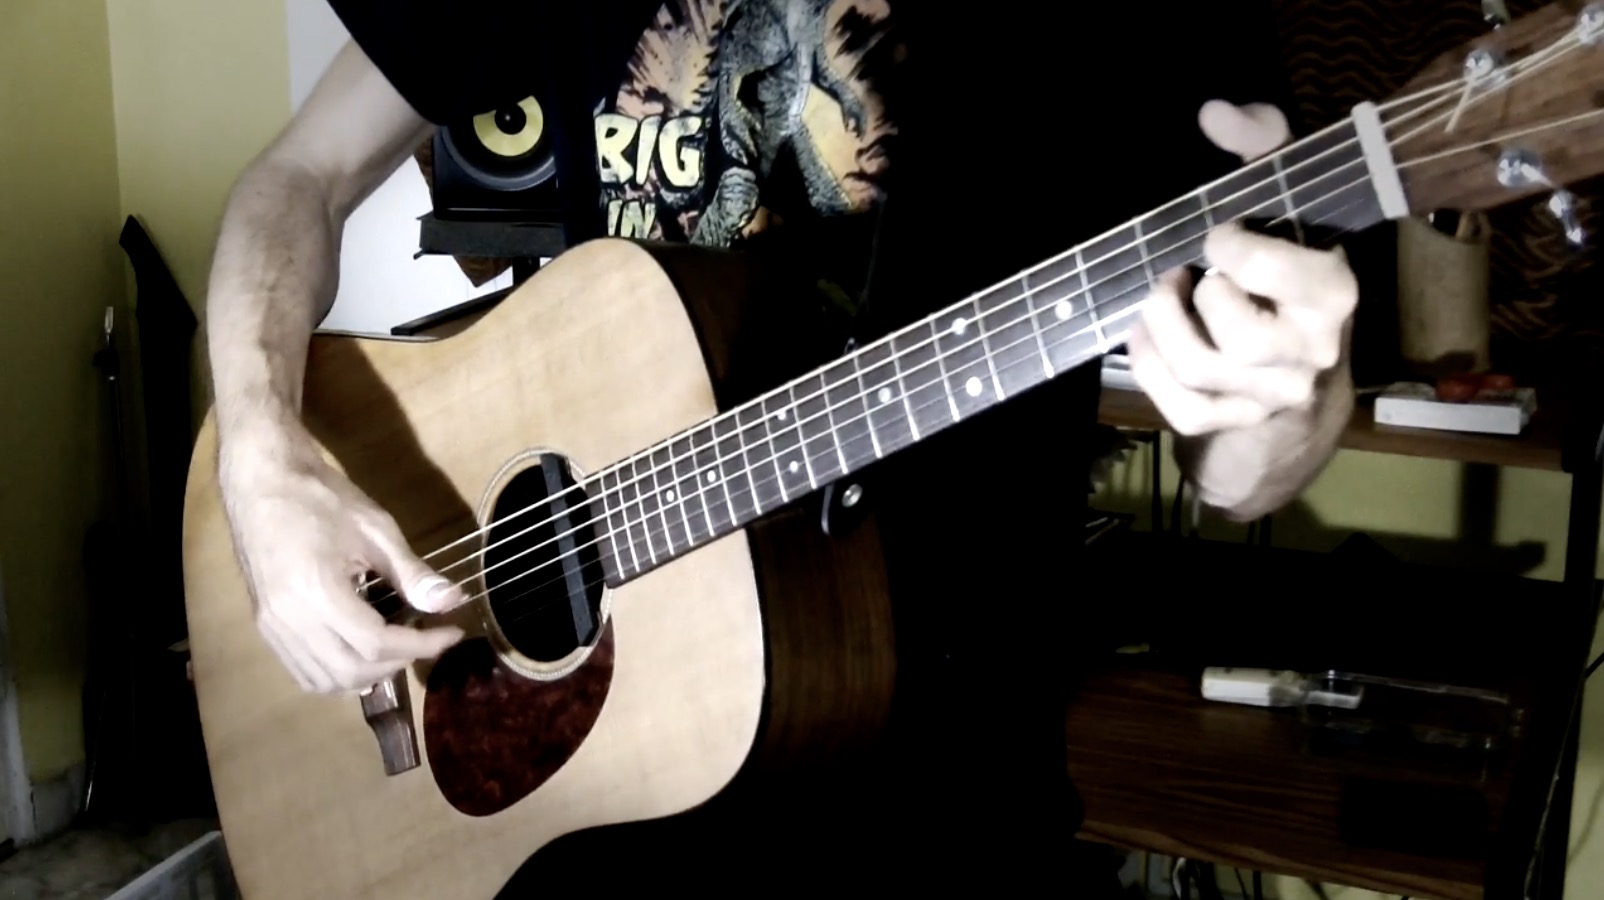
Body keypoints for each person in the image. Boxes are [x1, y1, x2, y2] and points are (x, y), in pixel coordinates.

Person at [203, 0, 1359, 890]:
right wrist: (258, 460)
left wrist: (1280, 396)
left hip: (940, 811)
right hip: (570, 824)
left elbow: (1239, 475)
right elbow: (297, 174)